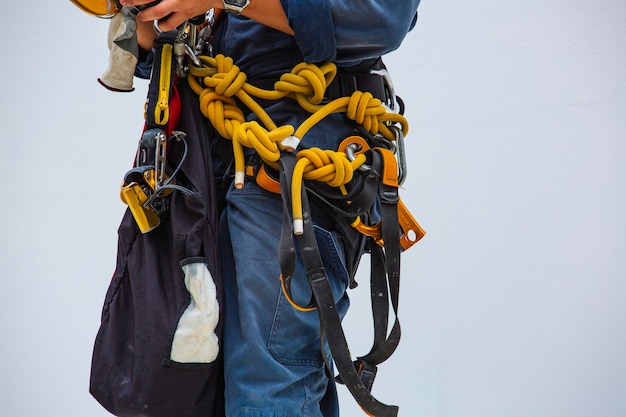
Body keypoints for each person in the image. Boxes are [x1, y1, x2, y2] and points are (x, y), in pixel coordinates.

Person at [119, 1, 421, 416]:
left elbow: (380, 16)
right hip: (206, 168)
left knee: (267, 387)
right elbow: (160, 52)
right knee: (191, 383)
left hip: (293, 162)